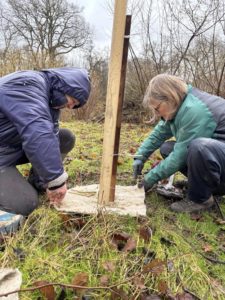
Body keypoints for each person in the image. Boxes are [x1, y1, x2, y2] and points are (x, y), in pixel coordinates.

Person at [0, 67, 91, 233]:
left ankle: (38, 183)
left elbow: (51, 136)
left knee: (64, 138)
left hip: (6, 147)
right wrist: (56, 180)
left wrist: (47, 181)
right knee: (26, 203)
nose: (71, 106)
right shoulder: (28, 84)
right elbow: (37, 131)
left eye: (75, 105)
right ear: (66, 86)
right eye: (74, 100)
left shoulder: (50, 101)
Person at [133, 73, 225, 213]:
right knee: (166, 148)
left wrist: (148, 179)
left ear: (170, 97)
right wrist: (140, 156)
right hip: (219, 159)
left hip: (219, 160)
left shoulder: (194, 110)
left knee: (199, 147)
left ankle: (200, 199)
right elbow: (159, 134)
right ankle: (201, 186)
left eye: (157, 108)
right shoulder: (178, 106)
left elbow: (180, 156)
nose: (156, 114)